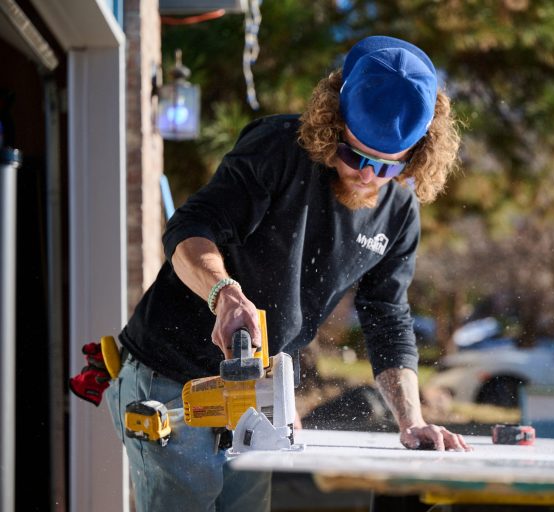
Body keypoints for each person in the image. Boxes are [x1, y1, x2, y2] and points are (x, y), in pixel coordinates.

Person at [105, 35, 469, 512]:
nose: (366, 176)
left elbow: (387, 317)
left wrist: (411, 421)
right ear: (330, 123)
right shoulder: (278, 149)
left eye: (386, 166)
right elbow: (189, 229)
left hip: (255, 398)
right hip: (173, 376)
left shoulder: (399, 210)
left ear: (417, 154)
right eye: (354, 155)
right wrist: (223, 294)